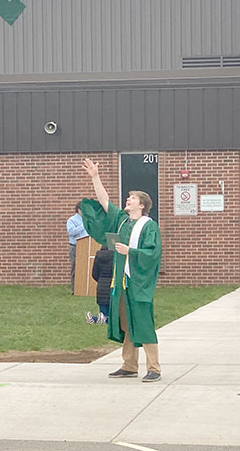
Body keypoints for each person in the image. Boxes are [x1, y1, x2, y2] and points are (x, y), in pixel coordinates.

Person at [80, 158, 163, 383]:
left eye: (132, 198)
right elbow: (105, 201)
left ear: (142, 205)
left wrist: (130, 251)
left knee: (143, 323)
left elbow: (153, 253)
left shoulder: (149, 226)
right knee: (126, 325)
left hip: (138, 284)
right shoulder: (122, 222)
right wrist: (95, 177)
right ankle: (129, 366)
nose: (128, 199)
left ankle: (154, 368)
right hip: (121, 283)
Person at [86, 245, 113, 325]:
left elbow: (94, 273)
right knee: (112, 313)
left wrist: (100, 280)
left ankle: (95, 318)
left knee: (103, 307)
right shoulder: (115, 255)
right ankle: (101, 319)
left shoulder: (98, 255)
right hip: (112, 284)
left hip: (101, 284)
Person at [67, 202, 88, 294]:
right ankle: (74, 289)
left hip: (88, 246)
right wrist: (83, 226)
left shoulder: (88, 219)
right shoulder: (72, 220)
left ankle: (85, 288)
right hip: (75, 247)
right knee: (75, 268)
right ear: (79, 210)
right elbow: (71, 232)